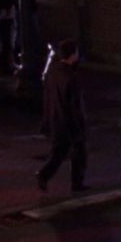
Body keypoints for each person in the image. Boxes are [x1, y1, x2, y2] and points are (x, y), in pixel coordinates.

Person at [37, 40, 89, 193]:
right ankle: (76, 183)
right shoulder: (71, 77)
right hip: (69, 122)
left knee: (59, 152)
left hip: (56, 119)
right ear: (73, 55)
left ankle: (45, 175)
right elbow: (74, 104)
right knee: (78, 152)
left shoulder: (53, 72)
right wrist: (80, 124)